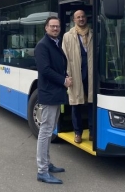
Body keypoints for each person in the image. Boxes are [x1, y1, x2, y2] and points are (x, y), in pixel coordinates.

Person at [34, 16, 72, 184]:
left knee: (49, 131)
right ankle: (42, 170)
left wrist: (65, 76)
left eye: (57, 26)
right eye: (52, 26)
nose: (55, 29)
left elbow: (57, 66)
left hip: (56, 93)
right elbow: (45, 70)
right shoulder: (43, 45)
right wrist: (63, 80)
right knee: (45, 131)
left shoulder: (55, 43)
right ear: (46, 28)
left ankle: (47, 164)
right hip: (49, 94)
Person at [62, 10, 93, 144]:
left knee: (92, 103)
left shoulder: (93, 33)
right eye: (78, 17)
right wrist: (66, 75)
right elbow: (64, 57)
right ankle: (78, 133)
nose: (81, 19)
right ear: (74, 20)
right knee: (76, 105)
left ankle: (92, 132)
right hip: (75, 74)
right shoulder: (67, 36)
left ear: (86, 18)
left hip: (91, 74)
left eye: (83, 16)